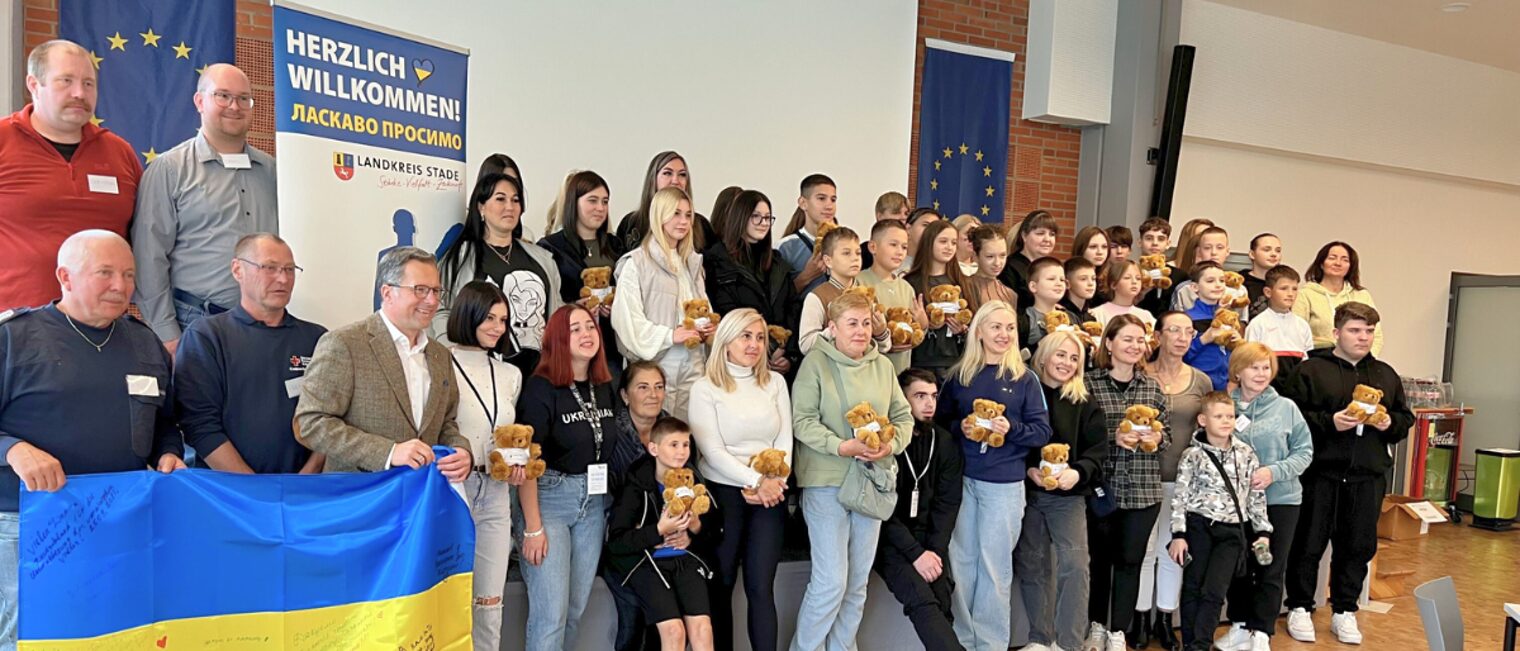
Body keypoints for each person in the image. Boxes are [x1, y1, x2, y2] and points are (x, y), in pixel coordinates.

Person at [0, 231, 186, 648]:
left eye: (128, 274)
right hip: (28, 521)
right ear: (65, 277)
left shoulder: (145, 342)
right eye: (105, 273)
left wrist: (170, 453)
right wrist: (12, 448)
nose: (121, 286)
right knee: (29, 636)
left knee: (109, 628)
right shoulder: (13, 337)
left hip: (118, 517)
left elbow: (166, 422)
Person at [1281, 302, 1411, 646]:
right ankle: (1299, 606)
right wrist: (1330, 423)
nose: (1363, 337)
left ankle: (1344, 610)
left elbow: (1403, 419)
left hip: (1367, 476)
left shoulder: (1385, 373)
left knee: (1357, 546)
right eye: (1355, 330)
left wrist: (1388, 422)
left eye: (1369, 331)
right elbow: (1292, 418)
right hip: (1319, 474)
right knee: (1307, 543)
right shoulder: (1311, 370)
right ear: (1337, 333)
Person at [789, 291, 912, 651]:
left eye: (866, 323)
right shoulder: (816, 363)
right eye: (852, 324)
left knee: (857, 584)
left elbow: (903, 417)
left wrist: (891, 446)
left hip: (871, 483)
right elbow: (802, 421)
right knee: (830, 583)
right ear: (832, 327)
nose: (860, 331)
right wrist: (840, 446)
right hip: (826, 482)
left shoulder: (883, 366)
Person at [131, 64, 277, 351]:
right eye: (222, 96)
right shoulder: (169, 169)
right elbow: (149, 257)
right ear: (200, 102)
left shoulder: (273, 172)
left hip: (266, 323)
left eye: (243, 98)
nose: (234, 107)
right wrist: (167, 335)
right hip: (195, 323)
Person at [296, 247, 471, 476]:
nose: (432, 301)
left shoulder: (440, 355)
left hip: (419, 498)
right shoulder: (344, 343)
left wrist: (460, 450)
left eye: (436, 291)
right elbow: (310, 423)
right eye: (420, 290)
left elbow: (445, 422)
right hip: (361, 498)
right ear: (387, 293)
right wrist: (388, 452)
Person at [941, 300, 1052, 651]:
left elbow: (1041, 432)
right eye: (996, 327)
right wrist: (964, 426)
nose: (1003, 334)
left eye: (1009, 328)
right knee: (961, 562)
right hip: (963, 481)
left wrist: (1012, 427)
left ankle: (990, 644)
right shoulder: (960, 375)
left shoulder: (1025, 378)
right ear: (979, 332)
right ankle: (962, 640)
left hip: (1004, 485)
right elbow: (940, 426)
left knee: (994, 567)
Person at [1, 40, 141, 311]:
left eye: (88, 84)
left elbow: (145, 238)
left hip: (101, 328)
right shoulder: (3, 140)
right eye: (66, 81)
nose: (79, 93)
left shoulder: (119, 152)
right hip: (14, 327)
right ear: (34, 85)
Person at [514, 305, 620, 651]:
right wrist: (532, 527)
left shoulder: (603, 385)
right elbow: (529, 459)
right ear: (558, 338)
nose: (587, 334)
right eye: (575, 329)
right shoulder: (540, 389)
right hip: (549, 501)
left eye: (590, 327)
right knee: (551, 615)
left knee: (574, 610)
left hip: (592, 504)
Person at [174, 233, 325, 474]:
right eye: (270, 268)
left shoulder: (317, 339)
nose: (283, 279)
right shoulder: (206, 337)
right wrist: (253, 489)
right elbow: (199, 426)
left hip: (303, 490)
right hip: (230, 494)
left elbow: (330, 417)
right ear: (237, 270)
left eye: (289, 269)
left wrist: (308, 474)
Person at [688, 310, 793, 651]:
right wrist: (753, 481)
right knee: (722, 584)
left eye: (760, 337)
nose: (754, 344)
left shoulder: (775, 383)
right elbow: (711, 450)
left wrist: (771, 482)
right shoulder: (705, 387)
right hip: (724, 495)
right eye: (745, 336)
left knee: (761, 588)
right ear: (726, 341)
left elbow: (785, 441)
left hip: (771, 496)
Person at [438, 280, 525, 651]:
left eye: (503, 320)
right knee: (448, 596)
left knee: (490, 601)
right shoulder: (438, 362)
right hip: (452, 490)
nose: (497, 327)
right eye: (489, 317)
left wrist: (517, 463)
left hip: (496, 492)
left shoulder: (510, 374)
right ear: (467, 314)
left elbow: (507, 435)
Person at [1216, 343, 1313, 651]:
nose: (1260, 374)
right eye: (1253, 367)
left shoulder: (1287, 408)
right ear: (1237, 371)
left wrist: (1274, 471)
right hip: (1235, 504)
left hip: (1281, 500)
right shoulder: (1223, 406)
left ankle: (1262, 632)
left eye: (1266, 367)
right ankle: (1240, 625)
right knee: (1238, 566)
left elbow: (1305, 452)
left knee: (1270, 566)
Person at [1016, 331, 1107, 651]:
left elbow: (1098, 449)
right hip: (1028, 494)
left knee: (1075, 565)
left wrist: (1077, 472)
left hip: (1068, 497)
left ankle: (1069, 643)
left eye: (1074, 358)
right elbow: (1016, 438)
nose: (1067, 363)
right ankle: (1040, 638)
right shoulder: (1025, 392)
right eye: (1061, 355)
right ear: (1044, 356)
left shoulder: (1084, 400)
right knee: (1032, 562)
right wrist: (1029, 469)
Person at [1086, 314, 1170, 651]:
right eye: (1127, 339)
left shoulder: (1151, 387)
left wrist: (1155, 437)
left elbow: (1169, 437)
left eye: (1140, 340)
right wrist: (1112, 439)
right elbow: (1079, 436)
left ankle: (1119, 629)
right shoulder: (1090, 384)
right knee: (1099, 561)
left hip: (1144, 491)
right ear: (1109, 343)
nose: (1135, 346)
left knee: (1131, 561)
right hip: (1101, 489)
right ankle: (1096, 626)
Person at [1167, 392, 1272, 651]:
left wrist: (1262, 530)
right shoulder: (1192, 455)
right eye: (1219, 416)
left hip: (1232, 531)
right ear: (1203, 420)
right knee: (1193, 586)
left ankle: (1201, 644)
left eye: (1231, 416)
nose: (1226, 421)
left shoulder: (1246, 453)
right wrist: (1178, 534)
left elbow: (1255, 495)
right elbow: (1180, 497)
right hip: (1198, 526)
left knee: (1214, 591)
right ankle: (1191, 643)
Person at [607, 417, 719, 651]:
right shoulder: (637, 482)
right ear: (654, 448)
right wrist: (658, 531)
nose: (681, 452)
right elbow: (617, 542)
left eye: (686, 445)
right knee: (674, 631)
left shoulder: (694, 479)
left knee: (703, 629)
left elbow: (714, 531)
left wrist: (694, 530)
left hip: (684, 559)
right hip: (646, 563)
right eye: (674, 445)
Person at [436, 172, 563, 376]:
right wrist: (452, 351)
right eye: (500, 199)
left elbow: (554, 310)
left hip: (541, 374)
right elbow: (440, 310)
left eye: (515, 200)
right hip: (481, 373)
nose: (510, 207)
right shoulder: (459, 258)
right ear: (481, 207)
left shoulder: (543, 258)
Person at [1137, 310, 1213, 650]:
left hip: (1182, 481)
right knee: (1144, 551)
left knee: (1173, 551)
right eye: (1174, 331)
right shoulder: (1140, 374)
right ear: (1158, 336)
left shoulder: (1201, 381)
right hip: (1141, 478)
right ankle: (1140, 619)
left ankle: (1166, 620)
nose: (1182, 338)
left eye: (1188, 332)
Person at [877, 368, 965, 651]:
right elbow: (882, 510)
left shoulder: (944, 442)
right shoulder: (885, 443)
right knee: (921, 598)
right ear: (901, 400)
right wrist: (916, 554)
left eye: (933, 396)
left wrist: (934, 552)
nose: (929, 404)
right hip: (888, 538)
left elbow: (947, 504)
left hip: (927, 538)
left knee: (942, 594)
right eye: (920, 396)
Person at [612, 187, 713, 418]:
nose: (683, 221)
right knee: (657, 433)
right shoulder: (636, 263)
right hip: (657, 365)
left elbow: (702, 308)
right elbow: (627, 321)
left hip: (694, 362)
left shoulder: (693, 263)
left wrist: (708, 329)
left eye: (688, 215)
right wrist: (670, 335)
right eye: (676, 213)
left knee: (687, 433)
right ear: (659, 215)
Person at [605, 360, 668, 651]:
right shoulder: (611, 435)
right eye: (643, 387)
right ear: (625, 395)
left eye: (658, 387)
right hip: (622, 541)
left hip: (664, 537)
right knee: (634, 611)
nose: (653, 394)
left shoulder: (672, 430)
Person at [539, 170, 627, 378]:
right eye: (593, 201)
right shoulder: (550, 247)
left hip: (609, 346)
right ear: (574, 203)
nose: (600, 208)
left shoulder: (616, 246)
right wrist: (572, 307)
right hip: (568, 345)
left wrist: (616, 306)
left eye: (605, 202)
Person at [702, 189, 797, 377]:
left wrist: (790, 355)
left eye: (768, 218)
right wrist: (765, 347)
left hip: (779, 365)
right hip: (736, 364)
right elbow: (724, 312)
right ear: (740, 217)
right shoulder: (715, 261)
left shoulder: (778, 263)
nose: (763, 223)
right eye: (756, 216)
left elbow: (794, 309)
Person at [797, 226, 888, 356]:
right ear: (828, 261)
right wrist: (837, 330)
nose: (855, 258)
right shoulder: (817, 296)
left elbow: (884, 348)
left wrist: (881, 333)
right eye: (846, 253)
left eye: (858, 253)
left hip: (863, 369)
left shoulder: (867, 294)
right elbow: (805, 345)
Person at [1294, 241, 1383, 357]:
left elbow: (1376, 334)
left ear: (1350, 267)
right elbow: (1296, 334)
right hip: (1319, 361)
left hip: (1358, 363)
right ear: (1321, 263)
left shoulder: (1362, 295)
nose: (1338, 263)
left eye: (1345, 260)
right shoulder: (1305, 294)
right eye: (1332, 258)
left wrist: (1366, 361)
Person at [905, 220, 969, 380]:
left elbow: (971, 321)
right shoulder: (911, 282)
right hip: (921, 362)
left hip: (955, 361)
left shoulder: (961, 281)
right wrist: (923, 323)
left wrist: (962, 331)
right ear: (929, 242)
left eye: (954, 243)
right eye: (943, 241)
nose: (949, 247)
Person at [615, 151, 715, 253]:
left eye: (682, 174)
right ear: (653, 178)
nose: (675, 181)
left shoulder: (701, 225)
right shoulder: (630, 223)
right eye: (668, 173)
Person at [859, 220, 922, 373]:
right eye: (893, 245)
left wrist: (922, 324)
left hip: (901, 372)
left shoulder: (907, 288)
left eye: (904, 247)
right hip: (870, 371)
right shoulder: (859, 282)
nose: (900, 251)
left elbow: (914, 331)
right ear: (873, 247)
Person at [1245, 265, 1313, 389]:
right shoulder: (1258, 324)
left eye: (1294, 289)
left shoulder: (1302, 325)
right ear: (1268, 292)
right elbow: (1250, 360)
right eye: (1284, 288)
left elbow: (1307, 362)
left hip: (1296, 388)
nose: (1290, 294)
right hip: (1266, 386)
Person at [777, 174, 839, 295]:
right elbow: (776, 299)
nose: (829, 206)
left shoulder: (844, 243)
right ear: (803, 203)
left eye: (833, 199)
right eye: (821, 198)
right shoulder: (784, 247)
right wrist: (806, 276)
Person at [1181, 262, 1234, 390]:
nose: (1218, 285)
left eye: (1222, 280)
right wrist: (1203, 340)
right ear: (1194, 287)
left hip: (1226, 387)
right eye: (1210, 281)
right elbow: (1178, 355)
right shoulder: (1186, 319)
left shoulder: (1228, 316)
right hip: (1197, 386)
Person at [999, 210, 1060, 309]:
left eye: (1052, 234)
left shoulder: (1052, 268)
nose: (1047, 239)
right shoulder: (1009, 267)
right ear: (1024, 236)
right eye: (1040, 233)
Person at [1016, 257, 1071, 359]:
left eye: (1062, 280)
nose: (1059, 283)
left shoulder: (1070, 318)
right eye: (1051, 279)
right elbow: (1017, 357)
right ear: (1033, 286)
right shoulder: (1024, 320)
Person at [1170, 226, 1230, 313]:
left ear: (1227, 251)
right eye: (1207, 248)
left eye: (1220, 247)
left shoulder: (1238, 291)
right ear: (1199, 251)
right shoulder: (1184, 289)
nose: (1214, 252)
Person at [1090, 260, 1156, 331]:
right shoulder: (1096, 314)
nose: (1134, 282)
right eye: (1127, 278)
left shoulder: (1146, 316)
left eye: (1138, 278)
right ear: (1113, 284)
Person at [963, 225, 1016, 315]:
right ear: (975, 256)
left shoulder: (1011, 295)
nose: (997, 263)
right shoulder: (963, 287)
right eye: (990, 256)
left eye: (1002, 255)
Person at [1136, 217, 1177, 318]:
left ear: (1168, 244)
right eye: (1149, 238)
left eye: (1161, 239)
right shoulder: (1130, 272)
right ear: (1139, 242)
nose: (1155, 243)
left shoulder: (1179, 275)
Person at [861, 191, 910, 270]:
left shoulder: (911, 253)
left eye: (906, 213)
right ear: (880, 216)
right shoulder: (863, 253)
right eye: (896, 212)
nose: (903, 217)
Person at [1243, 234, 1281, 319]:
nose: (1274, 254)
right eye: (1267, 250)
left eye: (1278, 251)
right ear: (1252, 254)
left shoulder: (1284, 282)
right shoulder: (1239, 281)